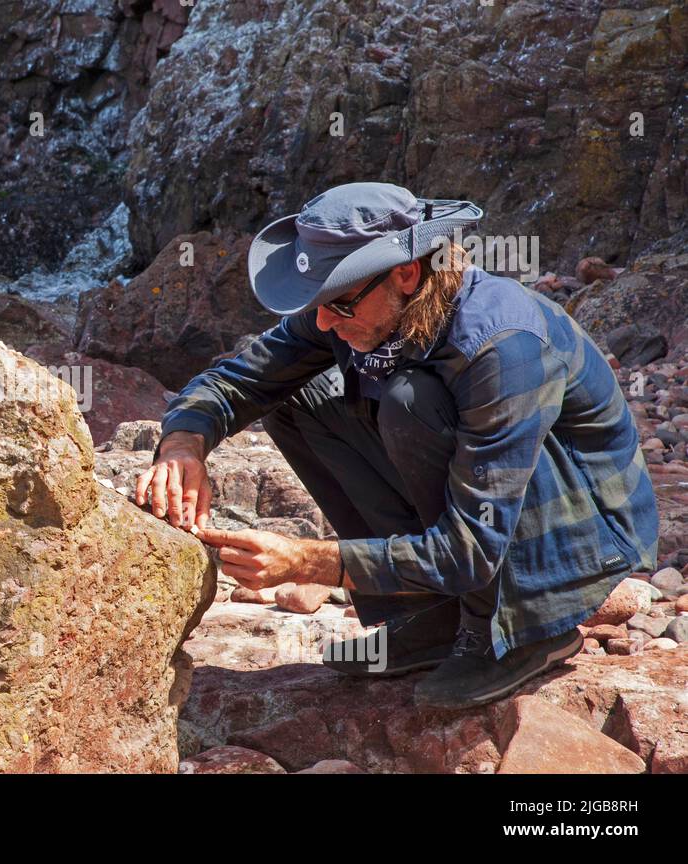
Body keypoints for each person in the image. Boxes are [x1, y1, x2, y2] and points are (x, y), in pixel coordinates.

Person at [135, 182, 658, 709]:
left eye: (337, 303)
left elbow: (472, 547)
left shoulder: (503, 348)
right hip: (483, 523)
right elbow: (238, 380)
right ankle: (433, 614)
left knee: (411, 402)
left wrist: (310, 562)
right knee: (300, 396)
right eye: (318, 302)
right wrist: (183, 445)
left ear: (407, 273)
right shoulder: (351, 306)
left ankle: (519, 628)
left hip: (580, 533)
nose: (321, 322)